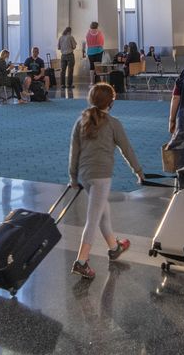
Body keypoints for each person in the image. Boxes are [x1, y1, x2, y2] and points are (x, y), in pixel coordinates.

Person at [68, 82, 144, 280]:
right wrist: (139, 171)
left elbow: (74, 151)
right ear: (110, 102)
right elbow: (127, 149)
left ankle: (114, 247)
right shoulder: (113, 123)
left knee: (102, 212)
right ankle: (81, 261)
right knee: (93, 219)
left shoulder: (81, 121)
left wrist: (73, 178)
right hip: (101, 177)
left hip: (85, 176)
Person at [56, 26, 78, 91]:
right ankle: (69, 84)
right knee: (70, 70)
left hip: (63, 56)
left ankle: (62, 84)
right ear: (69, 31)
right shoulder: (71, 37)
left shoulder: (61, 37)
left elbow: (58, 48)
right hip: (70, 55)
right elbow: (74, 46)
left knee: (62, 71)